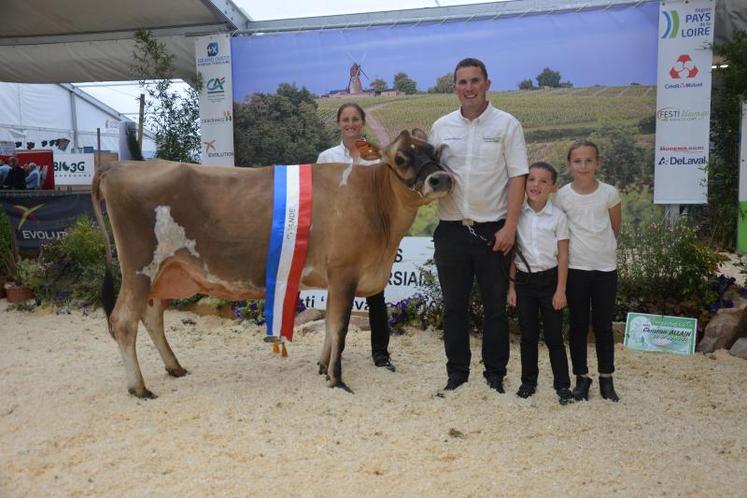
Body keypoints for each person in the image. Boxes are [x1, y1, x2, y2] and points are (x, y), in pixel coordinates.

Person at [429, 58, 528, 393]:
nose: (468, 88)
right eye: (462, 82)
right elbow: (429, 176)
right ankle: (457, 373)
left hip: (494, 232)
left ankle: (495, 374)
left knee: (495, 308)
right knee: (454, 307)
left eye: (475, 81)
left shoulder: (507, 125)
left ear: (487, 84)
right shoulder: (441, 127)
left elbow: (518, 177)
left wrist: (510, 226)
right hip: (452, 231)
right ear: (454, 87)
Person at [316, 102, 395, 372]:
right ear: (338, 123)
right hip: (338, 240)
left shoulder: (376, 157)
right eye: (345, 119)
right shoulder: (326, 157)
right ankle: (336, 353)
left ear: (362, 123)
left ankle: (381, 355)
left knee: (376, 296)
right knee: (341, 295)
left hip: (370, 237)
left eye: (355, 119)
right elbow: (317, 200)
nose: (350, 124)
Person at [554, 140, 621, 402]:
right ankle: (581, 377)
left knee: (603, 325)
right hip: (575, 269)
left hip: (605, 268)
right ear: (569, 165)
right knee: (578, 325)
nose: (583, 166)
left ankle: (607, 378)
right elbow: (560, 233)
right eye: (577, 161)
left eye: (588, 161)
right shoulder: (562, 196)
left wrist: (601, 251)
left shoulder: (609, 193)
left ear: (598, 163)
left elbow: (616, 228)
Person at [507, 162, 573, 405]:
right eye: (531, 179)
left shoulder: (558, 217)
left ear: (553, 187)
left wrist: (561, 290)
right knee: (528, 335)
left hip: (550, 281)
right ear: (524, 184)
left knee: (554, 336)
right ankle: (528, 381)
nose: (536, 185)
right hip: (524, 282)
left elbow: (564, 255)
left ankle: (563, 385)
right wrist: (512, 287)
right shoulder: (516, 214)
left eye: (543, 181)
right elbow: (513, 252)